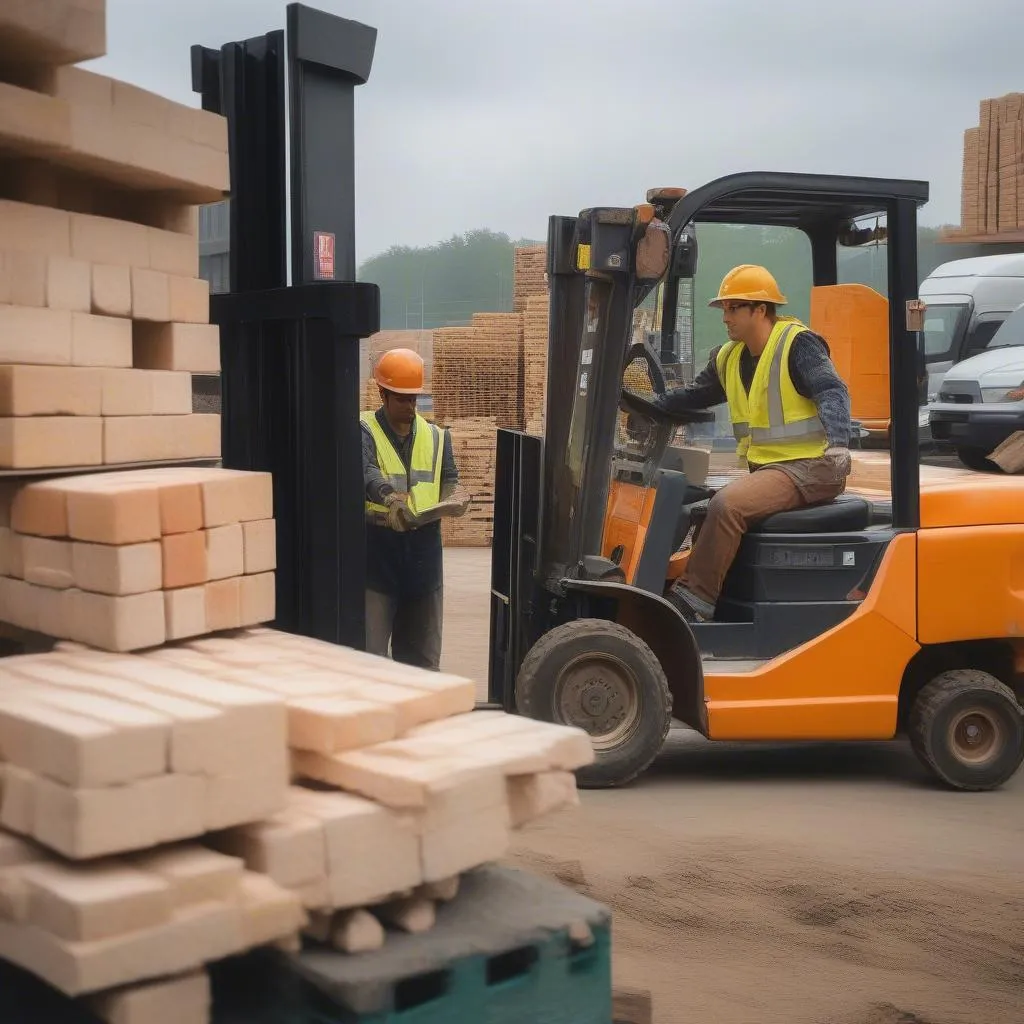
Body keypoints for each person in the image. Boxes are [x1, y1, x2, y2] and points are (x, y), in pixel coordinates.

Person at [654, 265, 853, 622]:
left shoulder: (797, 344)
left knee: (728, 505)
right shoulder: (730, 356)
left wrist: (839, 443)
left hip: (814, 465)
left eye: (733, 308)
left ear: (759, 310)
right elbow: (696, 396)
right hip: (774, 468)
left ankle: (694, 602)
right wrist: (647, 405)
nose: (725, 318)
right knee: (695, 501)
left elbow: (831, 389)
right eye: (724, 309)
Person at [361, 348, 467, 669]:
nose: (410, 406)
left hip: (424, 558)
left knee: (422, 659)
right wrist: (390, 498)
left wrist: (455, 497)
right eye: (402, 399)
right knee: (371, 657)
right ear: (383, 394)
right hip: (378, 556)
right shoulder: (364, 430)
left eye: (414, 399)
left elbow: (450, 477)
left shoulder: (436, 437)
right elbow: (365, 470)